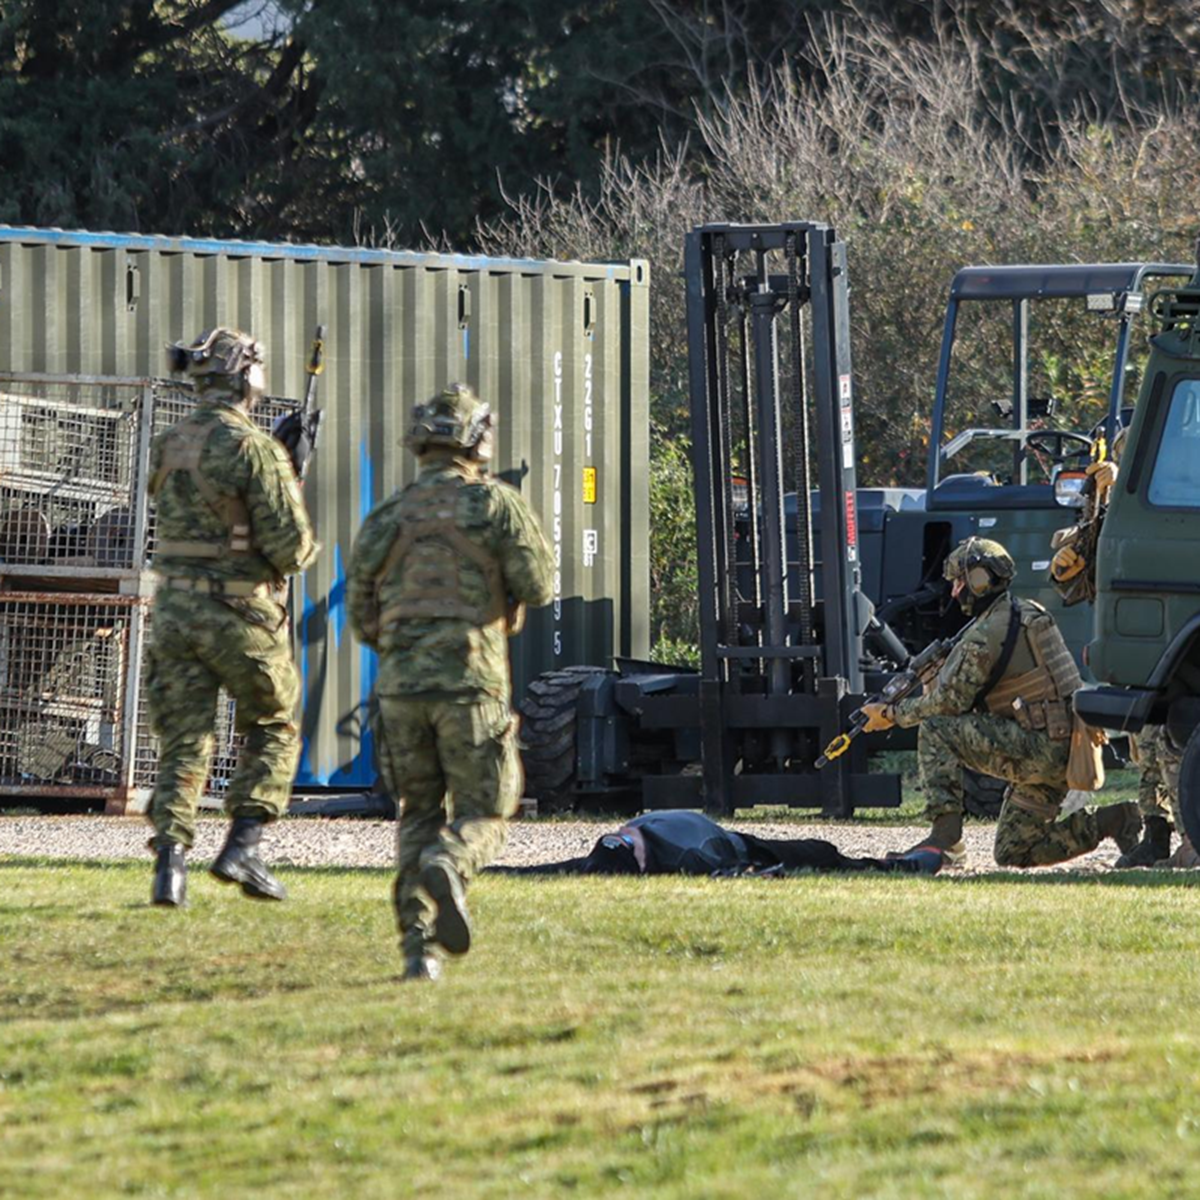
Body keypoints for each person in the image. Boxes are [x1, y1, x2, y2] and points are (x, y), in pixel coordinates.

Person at [347, 383, 554, 982]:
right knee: (486, 809)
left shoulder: (390, 513)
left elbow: (361, 602)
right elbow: (538, 586)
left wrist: (397, 652)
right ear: (478, 440)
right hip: (471, 684)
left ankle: (418, 952)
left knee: (416, 812)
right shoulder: (496, 505)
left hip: (400, 690)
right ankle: (452, 862)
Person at [147, 328, 319, 907]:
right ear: (245, 375)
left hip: (173, 610)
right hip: (239, 611)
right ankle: (243, 846)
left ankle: (169, 866)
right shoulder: (256, 449)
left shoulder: (169, 442)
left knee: (183, 738)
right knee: (274, 724)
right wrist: (291, 470)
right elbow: (290, 551)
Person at [860, 536, 1142, 868]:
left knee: (937, 729)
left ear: (979, 582)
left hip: (1041, 749)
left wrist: (891, 714)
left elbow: (948, 704)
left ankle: (945, 841)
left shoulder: (986, 633)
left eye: (960, 582)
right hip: (1061, 748)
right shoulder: (1024, 612)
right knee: (1014, 852)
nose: (954, 592)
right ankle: (1115, 819)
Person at [489, 809, 943, 876]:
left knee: (824, 850)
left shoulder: (611, 849)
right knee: (823, 855)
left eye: (620, 835)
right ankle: (904, 866)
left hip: (734, 838)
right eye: (626, 843)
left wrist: (483, 869)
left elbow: (548, 870)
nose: (624, 834)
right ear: (642, 863)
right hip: (746, 847)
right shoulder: (687, 858)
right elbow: (741, 874)